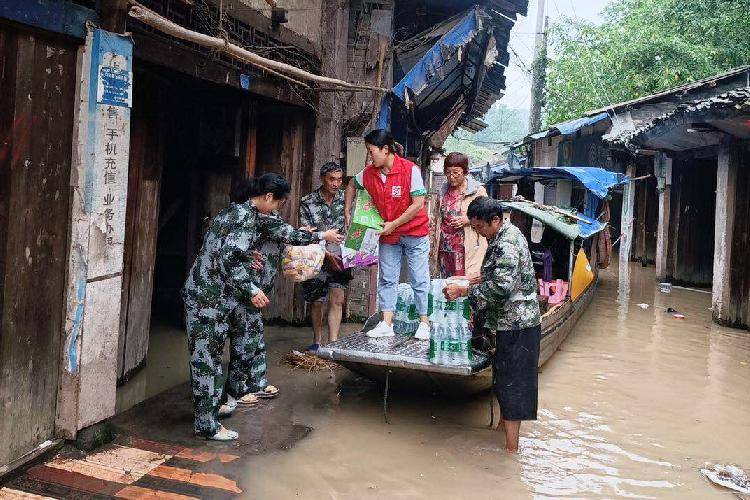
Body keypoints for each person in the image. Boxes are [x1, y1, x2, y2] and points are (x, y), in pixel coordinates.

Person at [183, 173, 342, 441]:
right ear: (268, 197)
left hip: (212, 296)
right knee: (206, 362)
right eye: (278, 204)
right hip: (208, 298)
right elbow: (229, 258)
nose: (278, 210)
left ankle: (211, 412)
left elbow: (225, 248)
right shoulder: (245, 218)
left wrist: (248, 255)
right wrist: (251, 289)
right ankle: (206, 424)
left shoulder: (236, 212)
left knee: (209, 360)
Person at [444, 197, 541, 453]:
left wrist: (464, 291)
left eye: (479, 227)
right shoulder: (501, 236)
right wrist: (472, 279)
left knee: (514, 384)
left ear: (495, 220)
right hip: (507, 323)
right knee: (503, 378)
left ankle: (511, 450)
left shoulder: (506, 243)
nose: (477, 232)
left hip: (517, 325)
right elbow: (495, 275)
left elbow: (501, 287)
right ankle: (501, 429)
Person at [344, 129, 431, 340]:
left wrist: (394, 224)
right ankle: (386, 324)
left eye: (371, 151)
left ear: (385, 150)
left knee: (418, 279)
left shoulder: (410, 170)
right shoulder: (368, 173)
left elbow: (418, 204)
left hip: (414, 232)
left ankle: (424, 324)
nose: (369, 156)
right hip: (388, 234)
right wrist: (347, 211)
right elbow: (351, 185)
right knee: (387, 279)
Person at [299, 162, 352, 352]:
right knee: (317, 300)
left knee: (337, 298)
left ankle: (333, 343)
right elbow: (305, 232)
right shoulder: (308, 202)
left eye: (339, 180)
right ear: (322, 179)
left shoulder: (345, 200)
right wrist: (324, 249)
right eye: (332, 179)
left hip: (340, 257)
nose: (336, 184)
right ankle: (317, 340)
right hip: (317, 256)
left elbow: (351, 228)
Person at [437, 152, 488, 278]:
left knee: (465, 282)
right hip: (445, 248)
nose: (451, 177)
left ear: (465, 172)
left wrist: (468, 219)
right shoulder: (443, 191)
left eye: (456, 173)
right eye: (448, 173)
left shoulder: (477, 191)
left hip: (467, 248)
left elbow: (487, 214)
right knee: (447, 282)